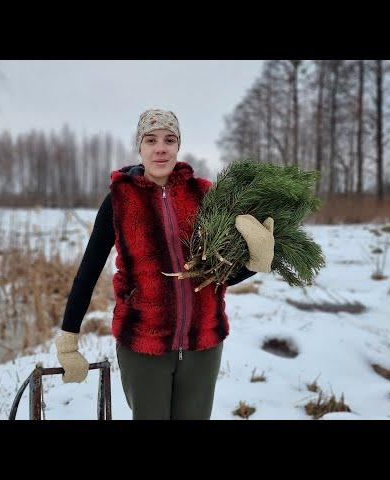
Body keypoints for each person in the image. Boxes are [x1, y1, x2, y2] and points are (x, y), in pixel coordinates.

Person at [54, 109, 275, 420]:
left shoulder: (205, 196)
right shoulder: (119, 200)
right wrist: (69, 338)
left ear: (178, 145)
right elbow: (89, 270)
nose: (161, 148)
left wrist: (255, 262)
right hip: (144, 345)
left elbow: (218, 274)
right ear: (140, 147)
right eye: (151, 139)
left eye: (169, 140)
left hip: (203, 344)